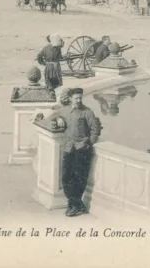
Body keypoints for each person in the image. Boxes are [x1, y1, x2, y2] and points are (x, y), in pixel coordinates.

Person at [55, 88, 101, 217]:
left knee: (79, 179)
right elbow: (55, 116)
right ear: (70, 99)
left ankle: (74, 206)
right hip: (69, 148)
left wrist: (89, 143)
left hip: (82, 149)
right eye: (76, 98)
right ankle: (77, 204)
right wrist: (58, 119)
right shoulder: (65, 111)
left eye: (80, 98)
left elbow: (95, 129)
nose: (79, 100)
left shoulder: (87, 112)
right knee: (65, 178)